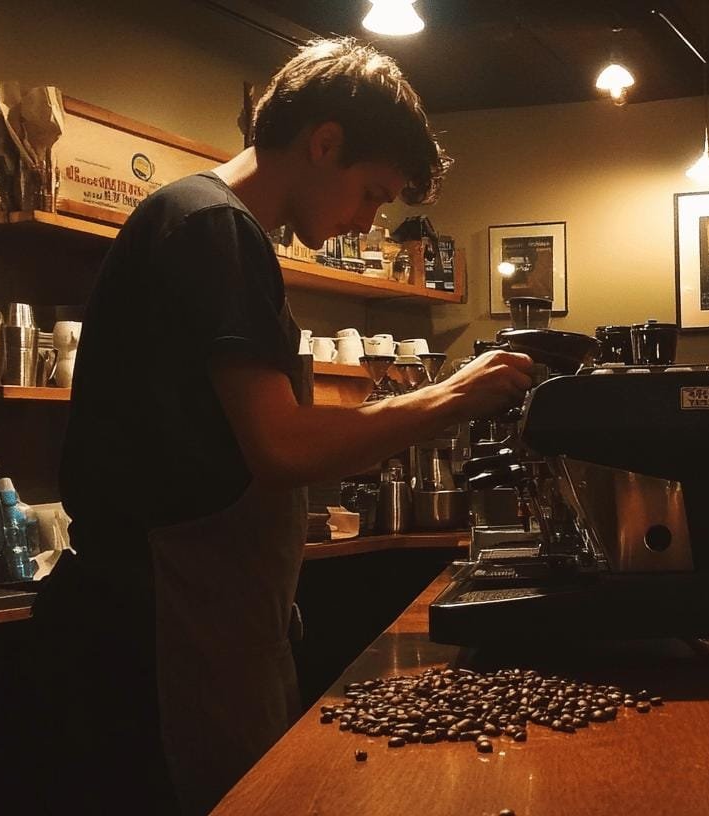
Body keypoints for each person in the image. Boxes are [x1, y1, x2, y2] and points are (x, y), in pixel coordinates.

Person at [33, 37, 533, 815]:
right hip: (164, 630)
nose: (368, 219)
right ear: (324, 142)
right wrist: (450, 397)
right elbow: (282, 445)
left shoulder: (205, 225)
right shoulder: (213, 230)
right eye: (372, 192)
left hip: (190, 620)